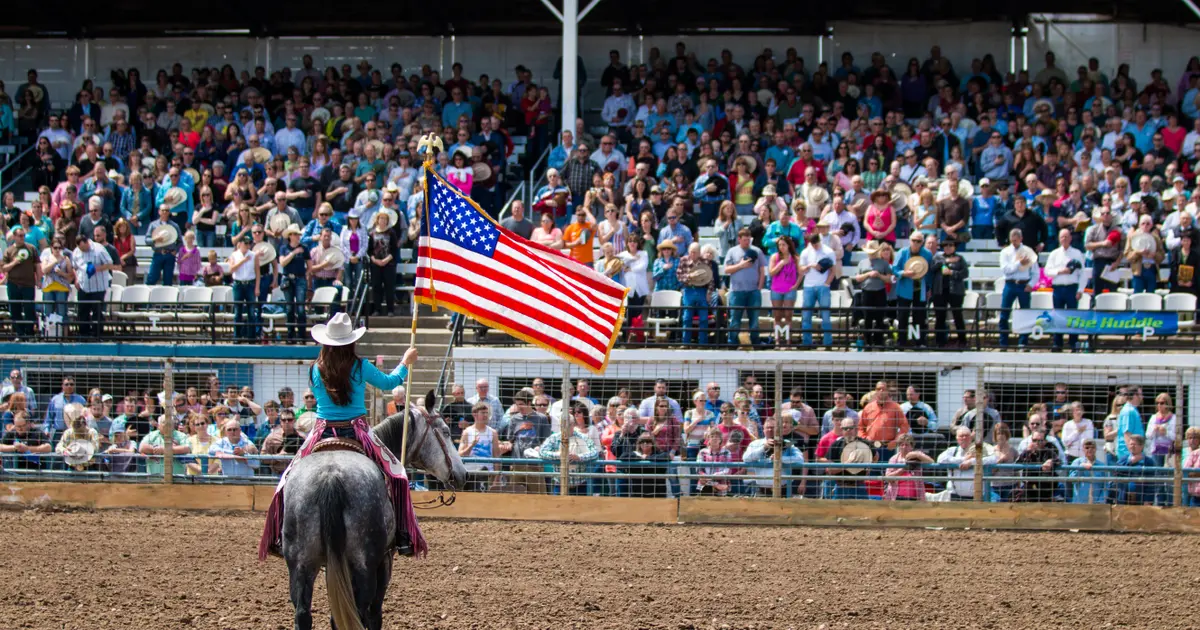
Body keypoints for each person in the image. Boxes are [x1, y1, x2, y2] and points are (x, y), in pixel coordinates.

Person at [260, 312, 420, 557]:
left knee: (286, 480)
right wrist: (405, 363)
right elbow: (389, 383)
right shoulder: (361, 366)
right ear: (351, 342)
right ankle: (404, 535)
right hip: (357, 430)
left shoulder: (315, 370)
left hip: (322, 431)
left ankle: (279, 536)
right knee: (397, 474)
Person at [742, 413, 804, 497]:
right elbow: (746, 458)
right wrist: (763, 448)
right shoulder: (755, 443)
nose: (770, 430)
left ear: (779, 430)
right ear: (763, 429)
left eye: (773, 428)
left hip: (783, 490)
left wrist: (781, 458)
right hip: (762, 490)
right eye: (768, 428)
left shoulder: (787, 444)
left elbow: (800, 459)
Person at [1044, 228, 1086, 352]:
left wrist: (1080, 290)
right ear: (1059, 238)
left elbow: (1083, 273)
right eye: (1062, 237)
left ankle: (1073, 343)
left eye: (1067, 236)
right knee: (1058, 316)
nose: (1065, 239)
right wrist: (1060, 271)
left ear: (1071, 238)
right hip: (1058, 288)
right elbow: (1047, 271)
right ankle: (1058, 343)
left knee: (1073, 316)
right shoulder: (1054, 254)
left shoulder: (1077, 253)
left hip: (1072, 288)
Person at [998, 227, 1039, 349]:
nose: (1014, 242)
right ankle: (1003, 343)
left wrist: (1030, 284)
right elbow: (1006, 270)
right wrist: (1019, 263)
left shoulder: (1028, 251)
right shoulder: (1005, 252)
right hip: (1010, 284)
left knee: (1025, 314)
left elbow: (1035, 272)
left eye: (1016, 240)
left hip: (1023, 285)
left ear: (1021, 239)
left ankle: (1023, 342)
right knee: (1004, 314)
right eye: (1012, 240)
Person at [3, 226, 40, 339]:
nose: (22, 238)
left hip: (28, 284)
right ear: (14, 237)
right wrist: (14, 263)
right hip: (13, 284)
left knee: (29, 309)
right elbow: (3, 268)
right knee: (15, 309)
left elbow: (37, 265)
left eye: (23, 236)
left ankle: (29, 334)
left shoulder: (31, 248)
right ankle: (19, 333)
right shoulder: (9, 250)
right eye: (19, 236)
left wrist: (38, 280)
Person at [930, 238, 968, 347]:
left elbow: (965, 273)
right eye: (945, 245)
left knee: (958, 316)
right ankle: (939, 341)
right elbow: (932, 268)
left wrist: (952, 272)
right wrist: (945, 261)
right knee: (940, 317)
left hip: (955, 292)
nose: (948, 247)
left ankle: (962, 340)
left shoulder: (960, 258)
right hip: (940, 291)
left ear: (954, 247)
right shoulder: (938, 257)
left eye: (950, 245)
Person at [937, 427, 993, 501]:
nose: (964, 438)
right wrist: (963, 459)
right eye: (961, 436)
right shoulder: (952, 450)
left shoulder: (980, 449)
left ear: (971, 437)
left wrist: (971, 462)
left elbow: (993, 459)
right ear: (957, 438)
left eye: (966, 435)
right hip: (955, 496)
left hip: (976, 496)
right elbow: (940, 459)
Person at [767, 234, 800, 347]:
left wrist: (796, 285)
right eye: (779, 245)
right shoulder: (774, 257)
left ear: (788, 246)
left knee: (788, 315)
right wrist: (781, 263)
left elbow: (801, 273)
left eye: (783, 245)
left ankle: (787, 340)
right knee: (777, 315)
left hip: (789, 289)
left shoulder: (795, 258)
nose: (781, 247)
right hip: (776, 289)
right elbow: (771, 273)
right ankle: (777, 340)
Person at [458, 402, 500, 492]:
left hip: (486, 473)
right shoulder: (467, 432)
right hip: (469, 473)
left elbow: (496, 456)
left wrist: (496, 478)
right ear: (475, 414)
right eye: (483, 413)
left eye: (487, 413)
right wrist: (471, 445)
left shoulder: (493, 433)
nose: (485, 415)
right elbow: (460, 454)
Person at [885, 434, 933, 501]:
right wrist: (903, 469)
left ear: (911, 446)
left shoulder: (917, 455)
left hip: (916, 497)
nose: (904, 447)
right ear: (899, 447)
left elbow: (931, 462)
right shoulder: (894, 459)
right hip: (896, 496)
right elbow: (887, 478)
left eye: (907, 445)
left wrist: (918, 455)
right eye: (902, 445)